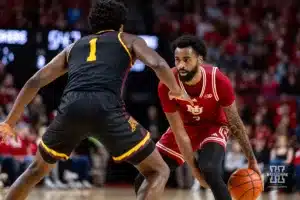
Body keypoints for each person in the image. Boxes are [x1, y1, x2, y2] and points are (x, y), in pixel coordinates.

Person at [0, 1, 191, 200]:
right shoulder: (128, 39)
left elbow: (35, 81)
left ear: (93, 25)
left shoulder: (74, 47)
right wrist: (177, 91)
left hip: (71, 108)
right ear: (121, 25)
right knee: (158, 170)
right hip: (107, 108)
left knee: (35, 170)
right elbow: (158, 64)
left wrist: (10, 122)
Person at [134, 35, 262, 200]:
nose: (181, 65)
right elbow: (179, 132)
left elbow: (235, 123)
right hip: (185, 127)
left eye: (186, 60)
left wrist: (251, 159)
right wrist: (195, 172)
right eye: (177, 60)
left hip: (213, 125)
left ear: (200, 60)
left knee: (209, 169)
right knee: (144, 178)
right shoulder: (166, 84)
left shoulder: (219, 81)